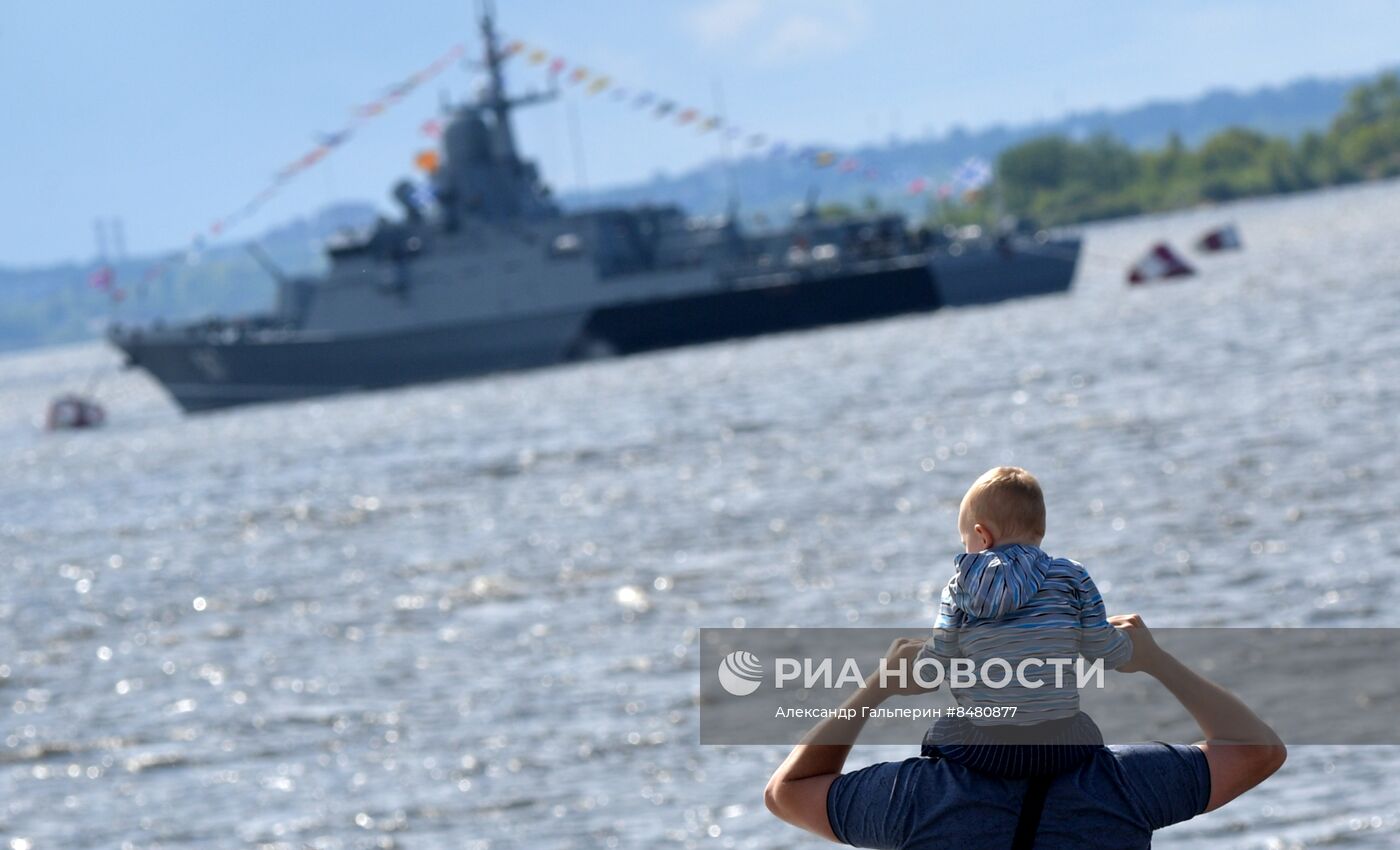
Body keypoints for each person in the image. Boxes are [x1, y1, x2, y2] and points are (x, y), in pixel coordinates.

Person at [764, 617, 1286, 849]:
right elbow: (1256, 751)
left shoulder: (917, 799)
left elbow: (786, 792)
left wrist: (876, 688)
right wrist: (1154, 660)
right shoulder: (1126, 785)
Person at [918, 466, 1131, 778]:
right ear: (1039, 530)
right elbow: (1105, 652)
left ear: (982, 535)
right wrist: (1127, 642)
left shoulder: (957, 589)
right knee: (1085, 725)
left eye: (965, 542)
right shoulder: (1072, 575)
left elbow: (931, 668)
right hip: (1062, 746)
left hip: (987, 748)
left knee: (940, 731)